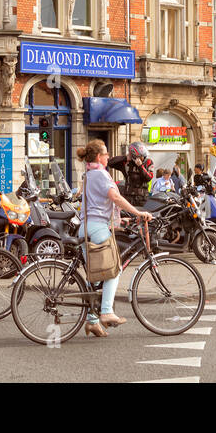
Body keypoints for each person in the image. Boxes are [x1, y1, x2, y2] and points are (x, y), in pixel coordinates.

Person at [78, 139, 153, 337]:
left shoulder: (88, 174)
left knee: (94, 276)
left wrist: (123, 221)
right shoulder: (101, 174)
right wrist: (137, 213)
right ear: (98, 157)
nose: (109, 157)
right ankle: (106, 312)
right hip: (97, 228)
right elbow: (116, 198)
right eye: (106, 154)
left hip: (85, 227)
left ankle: (92, 321)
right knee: (114, 269)